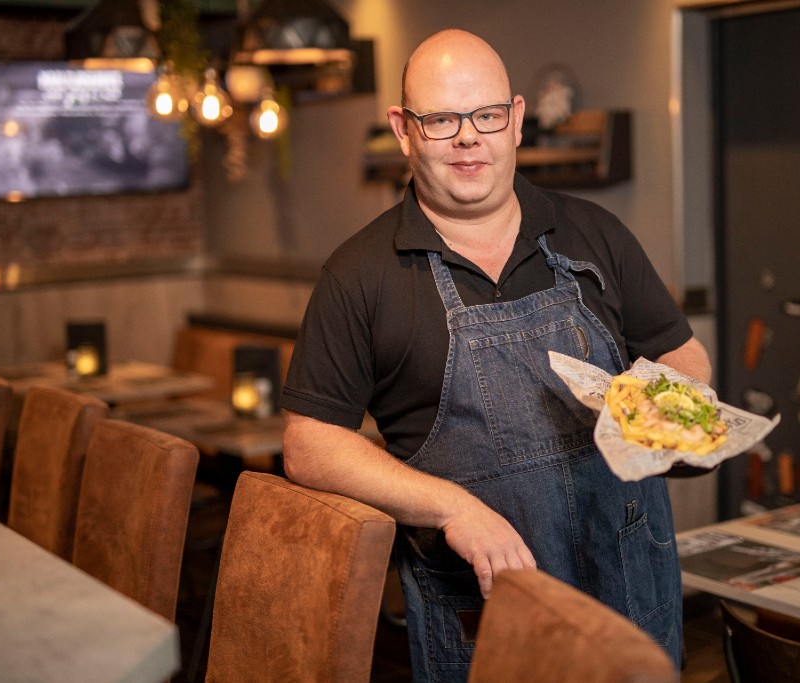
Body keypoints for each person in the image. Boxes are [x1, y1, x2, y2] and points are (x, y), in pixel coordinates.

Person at [280, 28, 712, 681]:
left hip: (631, 592)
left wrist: (654, 417)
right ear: (403, 129)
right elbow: (309, 444)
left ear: (514, 121)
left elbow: (687, 360)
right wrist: (452, 505)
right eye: (441, 119)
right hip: (483, 619)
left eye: (485, 115)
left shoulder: (596, 234)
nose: (467, 138)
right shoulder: (358, 276)